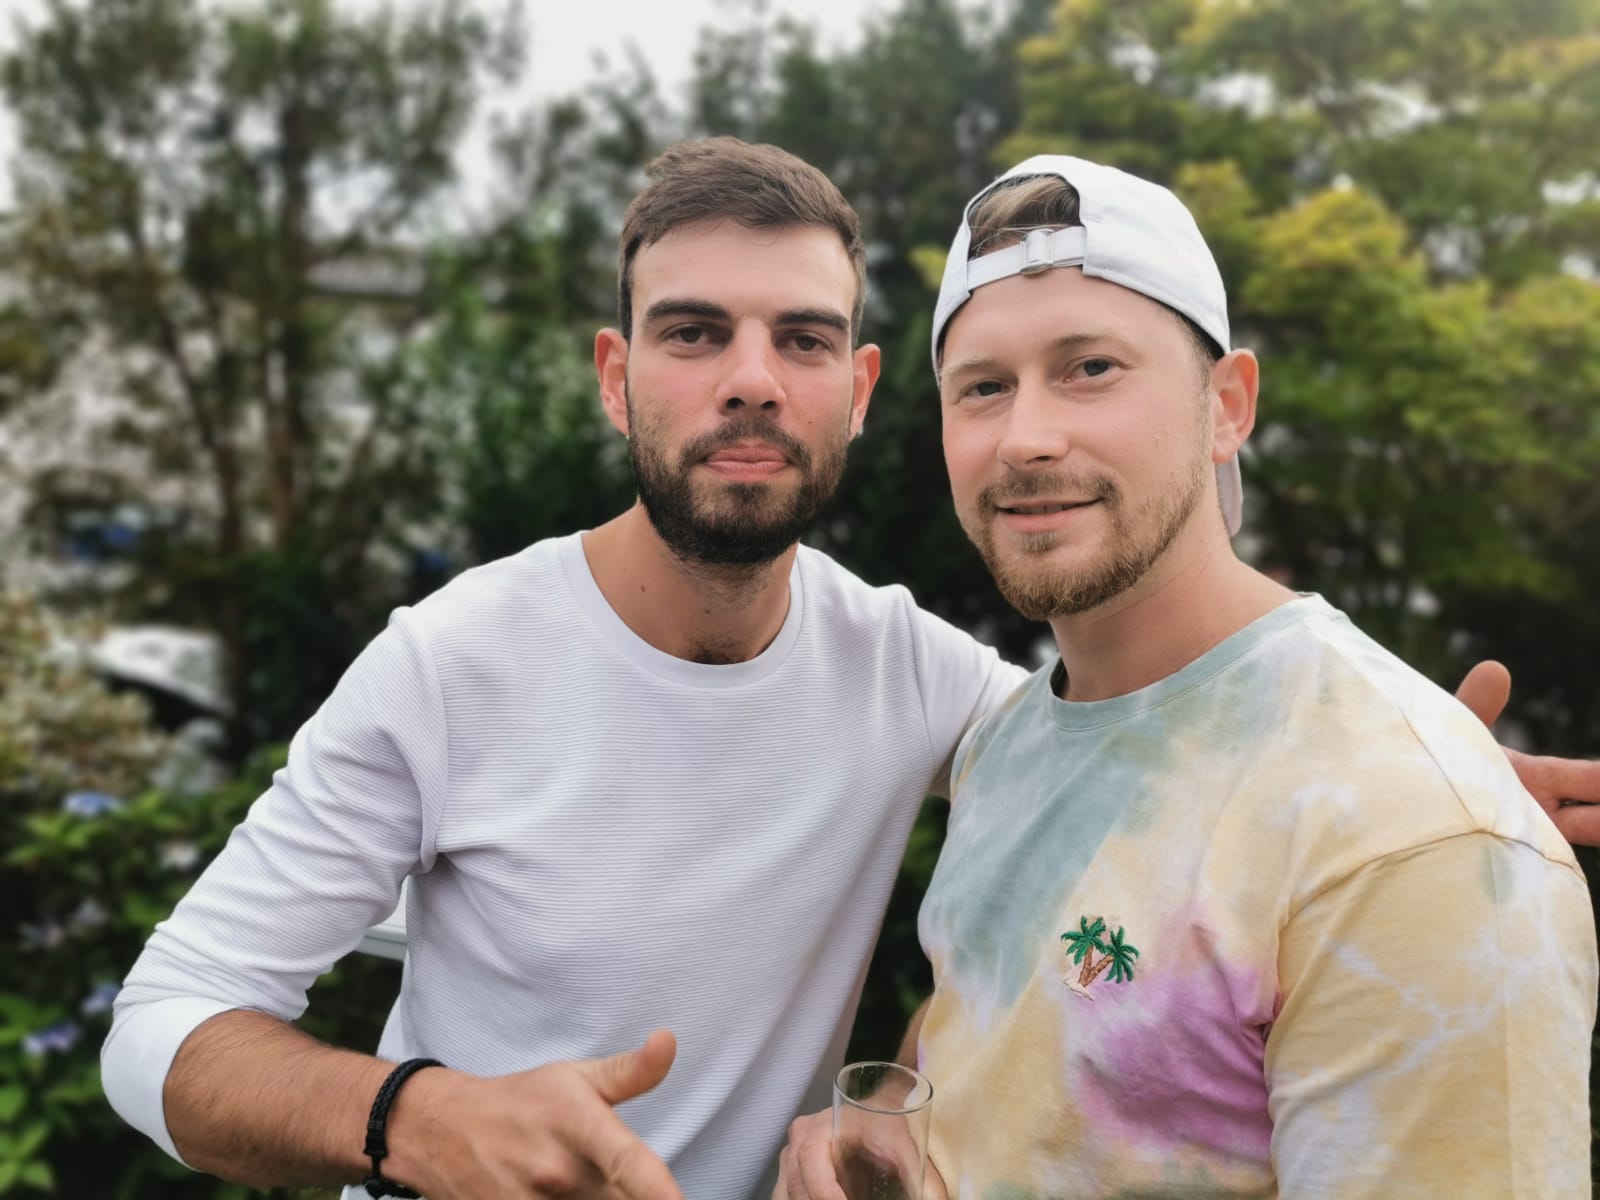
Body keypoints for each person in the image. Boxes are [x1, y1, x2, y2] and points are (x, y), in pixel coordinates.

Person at [101, 138, 1594, 1200]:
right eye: (695, 333)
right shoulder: (450, 664)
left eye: (803, 338)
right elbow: (163, 1021)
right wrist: (411, 1120)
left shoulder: (918, 679)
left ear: (860, 390)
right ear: (618, 375)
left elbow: (1174, 744)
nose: (751, 378)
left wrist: (1415, 781)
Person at [776, 156, 1598, 1199]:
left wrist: (1430, 793)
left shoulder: (1411, 836)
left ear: (1227, 406)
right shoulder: (1008, 742)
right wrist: (885, 1122)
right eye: (983, 387)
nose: (1026, 438)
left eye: (1090, 368)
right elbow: (992, 1031)